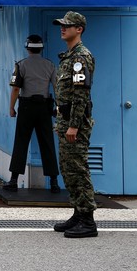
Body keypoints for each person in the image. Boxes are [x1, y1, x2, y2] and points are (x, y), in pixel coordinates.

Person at [51, 12, 97, 238]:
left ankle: (88, 220)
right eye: (61, 25)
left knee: (78, 169)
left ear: (79, 29)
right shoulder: (69, 56)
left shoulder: (80, 58)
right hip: (66, 121)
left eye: (67, 26)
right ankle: (78, 213)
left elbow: (81, 95)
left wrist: (74, 126)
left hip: (74, 124)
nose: (62, 28)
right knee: (68, 170)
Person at [4, 34, 60, 193]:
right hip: (44, 107)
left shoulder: (21, 65)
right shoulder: (50, 65)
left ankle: (14, 180)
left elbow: (16, 88)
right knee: (47, 143)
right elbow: (57, 88)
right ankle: (54, 183)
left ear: (27, 48)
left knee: (21, 141)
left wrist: (11, 107)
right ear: (41, 48)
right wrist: (58, 107)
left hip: (26, 107)